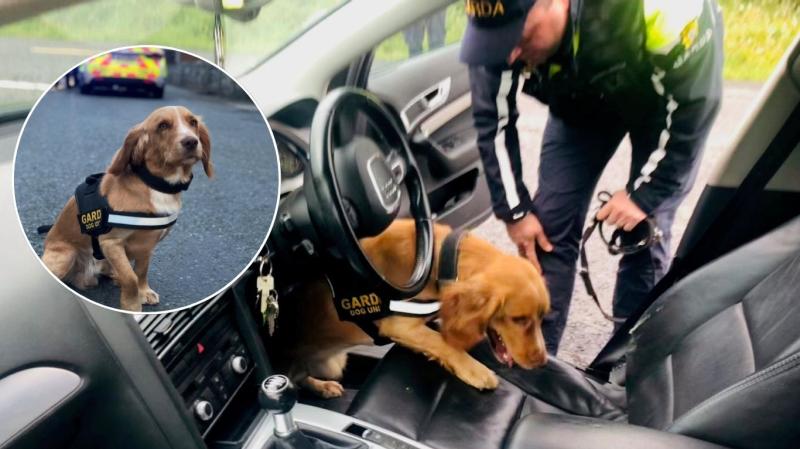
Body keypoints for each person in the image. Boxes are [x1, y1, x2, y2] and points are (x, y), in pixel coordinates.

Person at [463, 0, 724, 354]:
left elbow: (696, 105)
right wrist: (515, 212)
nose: (509, 55)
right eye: (497, 42)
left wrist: (644, 195)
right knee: (547, 230)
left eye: (520, 39)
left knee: (643, 233)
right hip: (580, 102)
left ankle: (630, 362)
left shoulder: (665, 8)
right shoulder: (497, 27)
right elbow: (493, 121)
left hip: (661, 100)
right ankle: (538, 365)